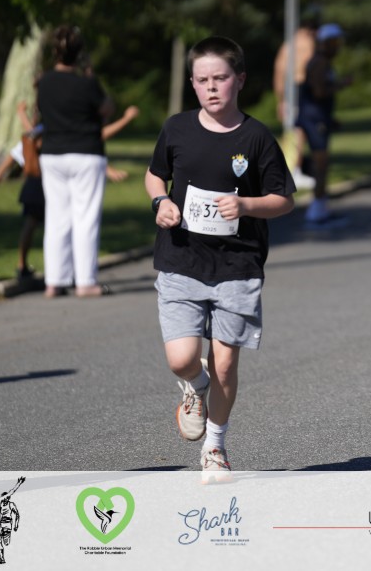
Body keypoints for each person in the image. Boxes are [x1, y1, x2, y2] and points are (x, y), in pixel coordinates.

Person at [145, 36, 295, 483]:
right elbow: (155, 176)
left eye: (221, 78)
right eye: (202, 80)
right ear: (192, 83)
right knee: (181, 358)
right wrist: (160, 203)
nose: (211, 87)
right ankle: (196, 384)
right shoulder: (177, 129)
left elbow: (284, 199)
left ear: (240, 80)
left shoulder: (256, 137)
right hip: (181, 260)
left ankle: (215, 447)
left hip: (237, 267)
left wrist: (247, 205)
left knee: (226, 363)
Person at [0, 101, 138, 282]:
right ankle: (36, 267)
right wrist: (126, 119)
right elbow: (87, 146)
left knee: (43, 224)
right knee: (51, 224)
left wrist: (22, 116)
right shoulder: (55, 131)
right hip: (44, 182)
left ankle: (48, 268)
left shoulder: (47, 130)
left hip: (40, 182)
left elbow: (22, 146)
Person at [36, 25, 115, 298]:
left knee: (56, 218)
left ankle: (54, 281)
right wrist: (91, 74)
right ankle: (85, 282)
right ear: (80, 53)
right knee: (85, 218)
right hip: (86, 153)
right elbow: (106, 108)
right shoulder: (86, 83)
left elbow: (40, 111)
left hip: (52, 154)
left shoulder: (43, 82)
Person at [297, 23, 352, 227]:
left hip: (319, 118)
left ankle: (321, 209)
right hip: (314, 120)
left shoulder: (323, 62)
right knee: (321, 165)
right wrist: (341, 85)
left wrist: (330, 118)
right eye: (335, 42)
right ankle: (316, 213)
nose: (338, 47)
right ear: (325, 43)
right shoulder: (319, 63)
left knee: (322, 165)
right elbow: (319, 92)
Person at [273, 5, 321, 189]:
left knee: (292, 131)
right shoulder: (308, 43)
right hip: (300, 89)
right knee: (299, 131)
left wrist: (280, 100)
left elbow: (279, 71)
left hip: (289, 90)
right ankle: (295, 170)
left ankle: (291, 169)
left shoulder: (288, 44)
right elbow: (311, 70)